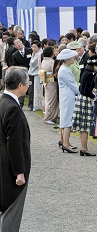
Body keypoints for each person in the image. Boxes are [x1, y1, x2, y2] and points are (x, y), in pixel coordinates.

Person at [0, 66, 31, 232]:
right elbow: (15, 142)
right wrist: (19, 172)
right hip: (12, 169)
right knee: (11, 212)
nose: (28, 85)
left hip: (4, 163)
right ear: (20, 85)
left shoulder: (3, 101)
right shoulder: (12, 107)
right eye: (27, 83)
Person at [72, 55, 97, 157]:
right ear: (94, 65)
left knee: (82, 127)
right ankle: (84, 148)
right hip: (85, 100)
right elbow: (86, 91)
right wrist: (95, 95)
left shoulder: (85, 72)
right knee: (85, 126)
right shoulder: (90, 74)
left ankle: (84, 147)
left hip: (81, 99)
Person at [56, 49, 80, 153]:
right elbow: (73, 85)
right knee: (67, 120)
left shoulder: (64, 68)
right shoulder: (64, 70)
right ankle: (65, 143)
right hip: (68, 97)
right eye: (73, 57)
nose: (74, 59)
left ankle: (66, 142)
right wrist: (81, 92)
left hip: (66, 96)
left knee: (65, 119)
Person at [41, 46, 58, 124]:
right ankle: (48, 117)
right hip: (51, 81)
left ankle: (51, 117)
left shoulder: (44, 61)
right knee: (51, 100)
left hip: (46, 81)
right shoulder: (51, 61)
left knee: (48, 99)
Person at [28, 40, 42, 111]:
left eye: (35, 47)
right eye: (32, 47)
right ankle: (33, 104)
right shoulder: (35, 53)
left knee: (36, 89)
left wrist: (32, 56)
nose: (33, 48)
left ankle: (36, 105)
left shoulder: (39, 54)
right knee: (32, 89)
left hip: (36, 73)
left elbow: (33, 63)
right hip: (32, 73)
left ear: (39, 47)